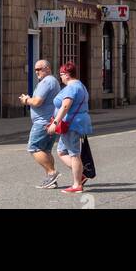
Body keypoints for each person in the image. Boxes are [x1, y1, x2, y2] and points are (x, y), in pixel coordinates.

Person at [48, 62, 95, 195]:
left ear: (67, 75)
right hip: (76, 122)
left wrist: (55, 123)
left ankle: (77, 184)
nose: (60, 77)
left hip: (71, 124)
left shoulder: (71, 88)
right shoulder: (81, 86)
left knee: (74, 154)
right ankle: (80, 175)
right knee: (62, 151)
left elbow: (65, 106)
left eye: (61, 74)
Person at [19, 59, 61, 188]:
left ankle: (52, 172)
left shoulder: (47, 81)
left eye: (40, 69)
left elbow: (37, 102)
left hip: (43, 122)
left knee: (34, 148)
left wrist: (26, 100)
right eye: (35, 69)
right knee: (45, 150)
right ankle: (51, 179)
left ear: (48, 68)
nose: (37, 72)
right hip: (50, 121)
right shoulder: (51, 81)